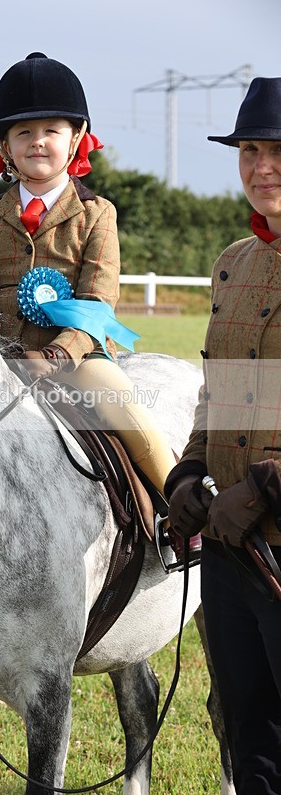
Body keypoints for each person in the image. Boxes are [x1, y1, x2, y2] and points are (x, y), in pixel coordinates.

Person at [0, 52, 181, 532]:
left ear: (76, 138)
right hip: (2, 360)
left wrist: (60, 355)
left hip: (78, 363)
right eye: (23, 132)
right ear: (4, 143)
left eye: (51, 131)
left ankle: (180, 512)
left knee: (128, 410)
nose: (37, 141)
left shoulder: (97, 212)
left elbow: (98, 299)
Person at [166, 77, 281, 794]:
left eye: (276, 150)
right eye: (248, 149)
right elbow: (218, 386)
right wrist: (188, 468)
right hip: (234, 546)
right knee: (246, 729)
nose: (260, 165)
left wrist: (266, 484)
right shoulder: (232, 262)